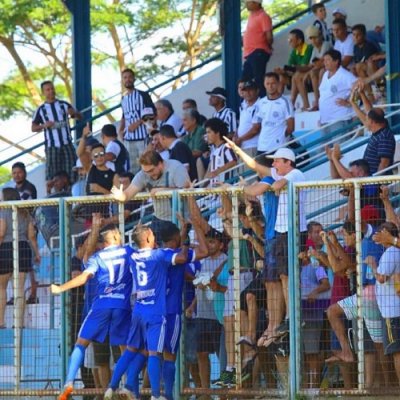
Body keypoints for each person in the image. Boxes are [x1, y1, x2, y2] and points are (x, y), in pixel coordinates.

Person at [104, 224, 202, 400]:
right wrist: (186, 240)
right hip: (159, 312)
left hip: (138, 310)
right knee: (158, 354)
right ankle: (159, 395)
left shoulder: (132, 255)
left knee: (134, 350)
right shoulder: (161, 255)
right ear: (149, 238)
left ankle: (114, 387)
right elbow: (184, 257)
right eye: (151, 234)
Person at [224, 139, 307, 340]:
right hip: (281, 232)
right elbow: (255, 166)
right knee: (278, 278)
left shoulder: (295, 173)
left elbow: (274, 185)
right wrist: (237, 149)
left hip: (291, 231)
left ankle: (291, 317)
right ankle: (281, 321)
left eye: (277, 161)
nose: (274, 165)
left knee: (287, 277)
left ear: (287, 161)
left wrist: (238, 188)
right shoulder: (285, 173)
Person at [52, 220, 133, 400]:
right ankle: (124, 386)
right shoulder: (129, 252)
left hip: (101, 305)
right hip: (121, 305)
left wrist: (61, 288)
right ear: (118, 237)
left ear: (104, 243)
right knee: (126, 349)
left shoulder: (98, 258)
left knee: (81, 343)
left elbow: (83, 278)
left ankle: (69, 383)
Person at [111, 150, 190, 237]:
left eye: (151, 170)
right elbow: (128, 194)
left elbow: (186, 191)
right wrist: (120, 196)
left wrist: (163, 190)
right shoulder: (144, 174)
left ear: (160, 164)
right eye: (146, 171)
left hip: (181, 220)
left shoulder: (176, 167)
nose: (149, 174)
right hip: (159, 219)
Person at [0, 188, 40, 329]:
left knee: (2, 288)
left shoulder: (4, 210)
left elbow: (1, 232)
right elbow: (31, 236)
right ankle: (19, 323)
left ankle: (1, 322)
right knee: (19, 288)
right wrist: (37, 253)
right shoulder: (25, 213)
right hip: (23, 248)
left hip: (5, 249)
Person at [31, 81, 81, 186]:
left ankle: (72, 194)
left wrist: (74, 113)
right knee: (52, 173)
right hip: (51, 146)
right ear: (43, 93)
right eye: (47, 90)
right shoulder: (41, 110)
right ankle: (53, 197)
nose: (51, 91)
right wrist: (44, 125)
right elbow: (33, 127)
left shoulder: (64, 104)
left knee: (72, 169)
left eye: (52, 88)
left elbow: (79, 116)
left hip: (67, 144)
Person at [349, 88, 395, 175]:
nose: (365, 119)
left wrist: (374, 183)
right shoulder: (379, 129)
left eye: (367, 119)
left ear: (373, 122)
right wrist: (360, 95)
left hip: (377, 184)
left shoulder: (384, 136)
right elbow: (369, 111)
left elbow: (384, 163)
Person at [118, 68, 156, 174]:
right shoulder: (123, 98)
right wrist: (120, 130)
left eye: (130, 77)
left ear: (134, 79)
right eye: (125, 78)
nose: (127, 80)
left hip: (143, 137)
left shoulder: (143, 95)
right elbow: (124, 115)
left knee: (146, 164)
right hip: (129, 139)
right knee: (132, 168)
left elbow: (151, 112)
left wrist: (137, 123)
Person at [253, 72, 294, 156]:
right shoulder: (261, 103)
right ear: (264, 84)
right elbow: (257, 125)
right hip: (262, 147)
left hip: (278, 147)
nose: (270, 86)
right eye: (267, 83)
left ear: (278, 84)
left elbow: (291, 127)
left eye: (273, 83)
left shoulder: (285, 102)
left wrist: (280, 136)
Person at [318, 49, 357, 131]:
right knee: (326, 144)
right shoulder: (325, 74)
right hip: (325, 120)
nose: (325, 62)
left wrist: (349, 103)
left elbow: (358, 87)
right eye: (324, 60)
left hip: (339, 119)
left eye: (328, 60)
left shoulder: (345, 75)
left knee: (340, 144)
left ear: (336, 61)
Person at [274, 29, 313, 107]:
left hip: (308, 78)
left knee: (296, 76)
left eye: (291, 40)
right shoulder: (294, 51)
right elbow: (291, 69)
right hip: (296, 77)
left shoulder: (308, 48)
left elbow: (303, 67)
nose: (289, 42)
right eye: (288, 40)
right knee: (282, 77)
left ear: (299, 40)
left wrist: (291, 69)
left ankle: (299, 104)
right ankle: (276, 103)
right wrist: (283, 71)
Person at [242, 0, 273, 97]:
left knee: (259, 79)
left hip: (258, 52)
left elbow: (269, 36)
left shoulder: (263, 16)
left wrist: (267, 47)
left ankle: (263, 100)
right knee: (245, 81)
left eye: (249, 2)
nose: (246, 4)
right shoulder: (252, 16)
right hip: (250, 53)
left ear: (256, 3)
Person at [300, 26, 331, 111]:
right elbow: (311, 64)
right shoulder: (315, 49)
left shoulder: (326, 44)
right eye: (311, 39)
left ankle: (320, 100)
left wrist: (312, 68)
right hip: (320, 69)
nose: (313, 41)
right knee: (310, 73)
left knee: (317, 72)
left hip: (329, 68)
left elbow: (322, 61)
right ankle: (317, 101)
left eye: (315, 38)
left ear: (320, 36)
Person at [204, 118, 237, 187]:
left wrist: (218, 171)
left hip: (224, 192)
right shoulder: (215, 150)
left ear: (217, 133)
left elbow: (233, 161)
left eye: (209, 132)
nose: (207, 135)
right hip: (214, 192)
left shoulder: (226, 147)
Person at [234, 79, 261, 158]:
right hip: (242, 147)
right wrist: (236, 136)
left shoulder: (260, 105)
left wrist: (240, 139)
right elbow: (242, 124)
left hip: (253, 146)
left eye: (251, 90)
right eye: (245, 90)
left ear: (257, 91)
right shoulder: (243, 105)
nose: (248, 93)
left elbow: (255, 129)